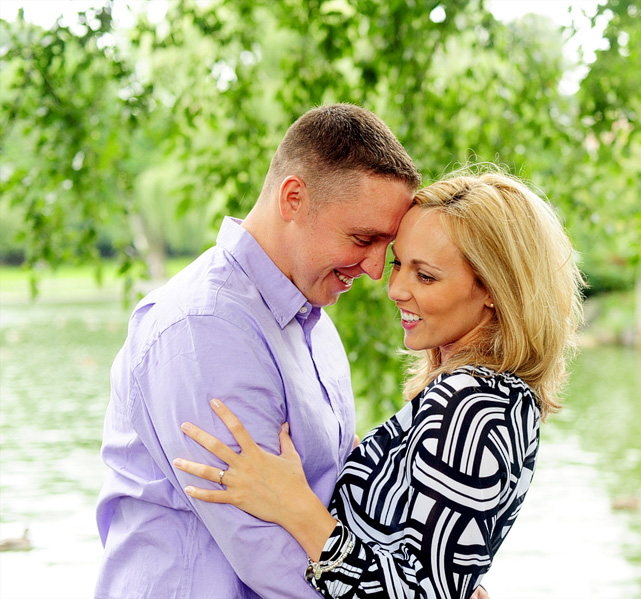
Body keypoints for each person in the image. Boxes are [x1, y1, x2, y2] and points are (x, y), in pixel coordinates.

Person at [173, 171, 585, 597]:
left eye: (425, 276)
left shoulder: (472, 407)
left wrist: (294, 506)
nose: (396, 289)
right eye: (398, 264)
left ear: (494, 289)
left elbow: (417, 593)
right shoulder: (487, 396)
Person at [94, 104, 421, 599]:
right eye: (362, 238)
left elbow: (340, 491)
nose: (376, 269)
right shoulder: (205, 329)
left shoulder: (313, 321)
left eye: (387, 246)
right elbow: (273, 558)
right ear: (294, 198)